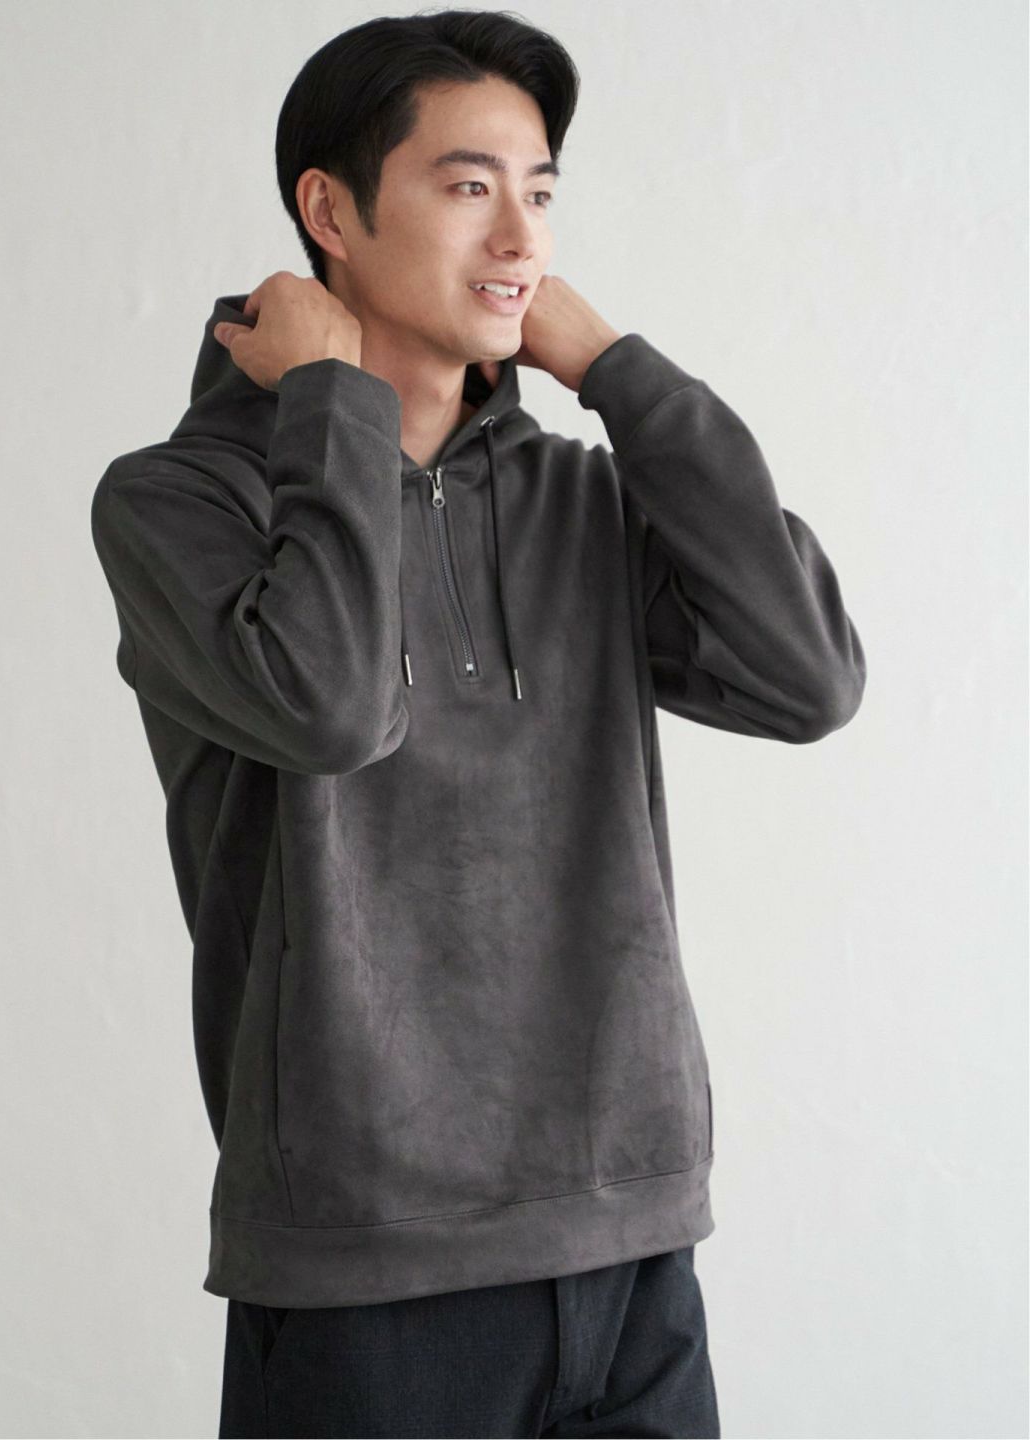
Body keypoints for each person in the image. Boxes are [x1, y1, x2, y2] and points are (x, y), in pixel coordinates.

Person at [90, 10, 866, 1437]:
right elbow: (330, 705)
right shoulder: (178, 503)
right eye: (468, 187)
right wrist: (331, 400)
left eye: (541, 192)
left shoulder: (581, 501)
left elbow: (808, 674)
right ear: (330, 213)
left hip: (630, 1246)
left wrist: (618, 370)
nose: (521, 239)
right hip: (367, 1273)